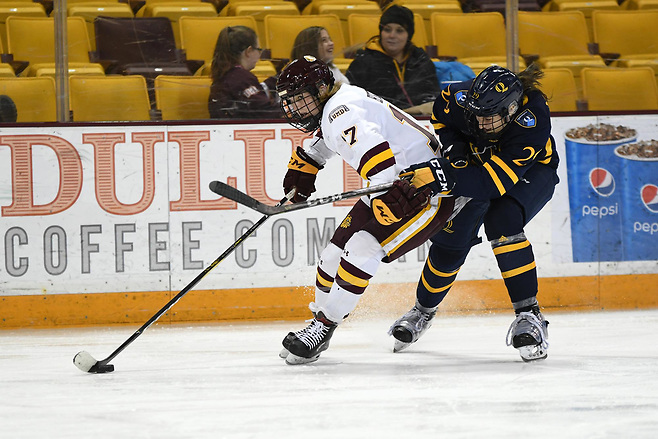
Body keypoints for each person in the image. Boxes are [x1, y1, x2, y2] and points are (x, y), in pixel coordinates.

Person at [276, 55, 468, 365]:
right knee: (332, 255)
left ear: (321, 89)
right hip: (397, 182)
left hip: (424, 192)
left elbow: (380, 162)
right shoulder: (340, 99)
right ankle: (319, 326)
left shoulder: (340, 112)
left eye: (301, 99)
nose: (296, 109)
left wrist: (387, 198)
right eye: (291, 101)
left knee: (361, 248)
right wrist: (309, 161)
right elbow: (337, 133)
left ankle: (323, 328)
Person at [388, 64, 558, 362]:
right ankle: (422, 312)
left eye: (490, 117)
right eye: (477, 114)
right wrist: (455, 155)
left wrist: (441, 174)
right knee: (450, 238)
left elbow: (492, 185)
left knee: (502, 220)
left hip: (531, 172)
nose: (481, 123)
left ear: (513, 109)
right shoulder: (460, 97)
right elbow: (441, 117)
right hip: (479, 166)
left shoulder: (532, 122)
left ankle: (530, 316)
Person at [345, 5, 438, 114]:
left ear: (409, 35)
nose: (392, 35)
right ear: (381, 32)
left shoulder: (420, 60)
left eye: (399, 31)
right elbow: (351, 103)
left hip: (420, 124)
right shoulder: (363, 62)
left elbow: (433, 97)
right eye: (387, 30)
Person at [208, 25, 280, 119]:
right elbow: (267, 112)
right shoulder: (241, 78)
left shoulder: (227, 75)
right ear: (248, 51)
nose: (260, 54)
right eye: (259, 49)